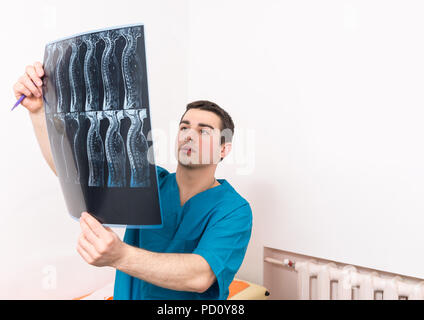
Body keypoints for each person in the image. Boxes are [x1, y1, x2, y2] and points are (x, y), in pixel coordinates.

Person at [13, 62, 253, 300]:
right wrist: (36, 113)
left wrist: (119, 256)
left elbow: (200, 277)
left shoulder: (234, 210)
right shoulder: (149, 181)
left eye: (203, 131)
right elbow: (75, 175)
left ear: (224, 149)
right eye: (184, 127)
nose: (189, 135)